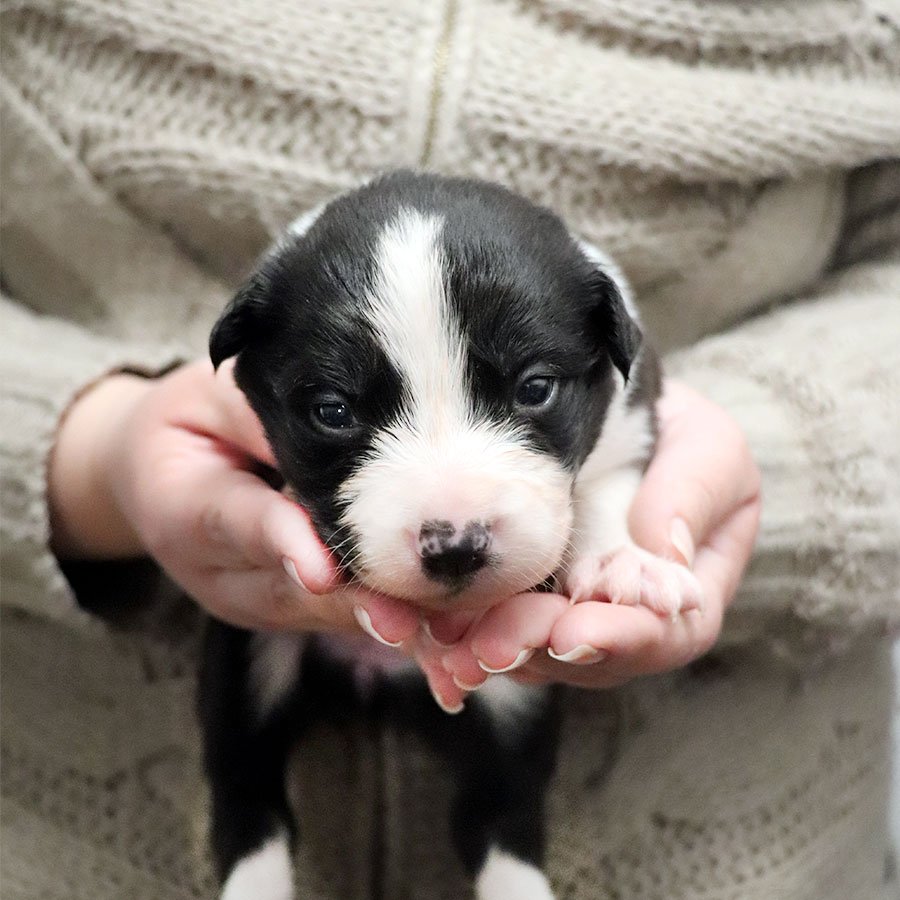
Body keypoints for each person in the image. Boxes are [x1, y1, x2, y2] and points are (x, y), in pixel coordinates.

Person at [1, 2, 897, 898]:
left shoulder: (611, 347)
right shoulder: (281, 318)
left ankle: (512, 856)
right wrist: (91, 455)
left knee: (516, 728)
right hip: (81, 834)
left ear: (609, 352)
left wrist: (664, 515)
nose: (453, 528)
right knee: (247, 680)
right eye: (336, 410)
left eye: (533, 391)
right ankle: (250, 851)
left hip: (753, 855)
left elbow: (635, 445)